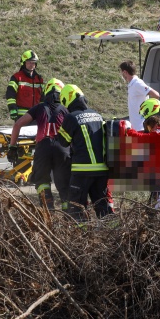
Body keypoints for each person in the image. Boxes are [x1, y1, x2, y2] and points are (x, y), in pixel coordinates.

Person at [8, 78, 71, 210]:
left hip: (43, 149)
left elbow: (18, 124)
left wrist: (12, 147)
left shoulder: (39, 108)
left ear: (46, 92)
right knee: (64, 185)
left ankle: (48, 212)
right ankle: (68, 218)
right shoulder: (66, 110)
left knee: (42, 182)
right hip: (62, 149)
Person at [57, 84, 111, 220]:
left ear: (66, 101)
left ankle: (82, 236)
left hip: (82, 171)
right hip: (102, 170)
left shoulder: (71, 118)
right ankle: (110, 234)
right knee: (102, 204)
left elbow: (63, 141)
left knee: (77, 206)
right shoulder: (98, 115)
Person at [119, 60, 160, 131]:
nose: (122, 75)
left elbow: (156, 94)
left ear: (125, 72)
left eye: (122, 72)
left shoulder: (137, 83)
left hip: (141, 127)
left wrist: (150, 111)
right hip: (136, 126)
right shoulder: (132, 84)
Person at [6, 50, 44, 121]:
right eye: (29, 62)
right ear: (23, 63)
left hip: (36, 116)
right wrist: (12, 108)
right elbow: (10, 94)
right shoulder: (17, 77)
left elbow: (43, 97)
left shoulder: (39, 79)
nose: (32, 64)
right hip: (22, 117)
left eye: (33, 62)